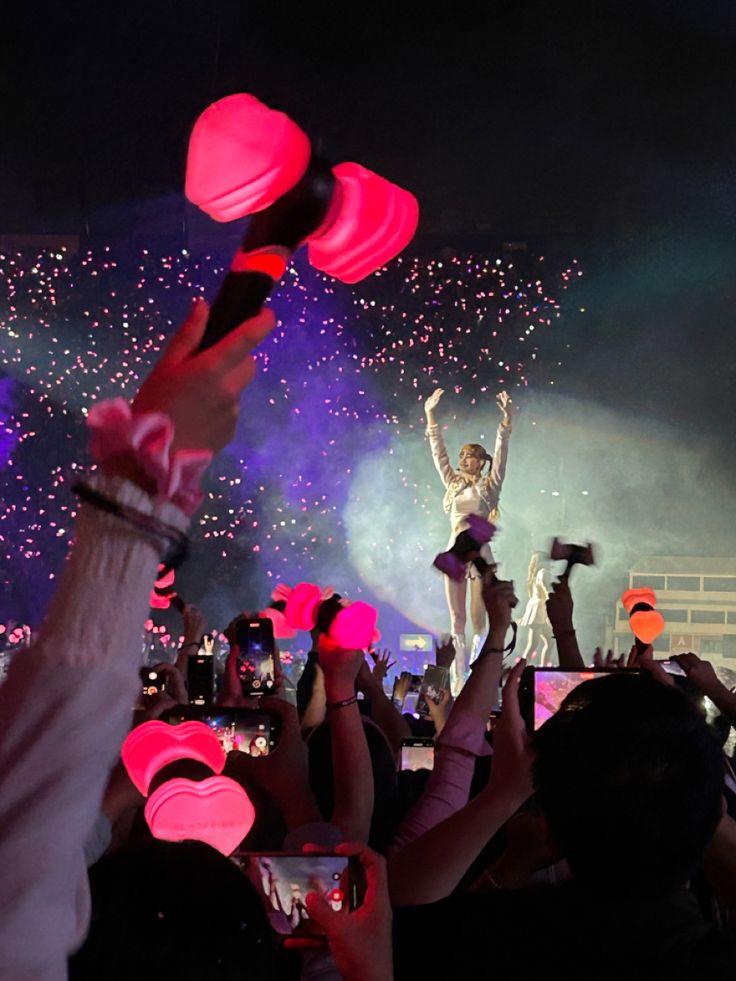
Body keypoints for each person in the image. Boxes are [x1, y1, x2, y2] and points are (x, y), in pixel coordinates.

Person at [424, 386, 514, 691]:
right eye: (462, 456)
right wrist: (430, 415)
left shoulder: (489, 487)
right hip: (454, 551)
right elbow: (439, 454)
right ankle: (455, 682)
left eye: (470, 457)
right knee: (455, 619)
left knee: (479, 620)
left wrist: (506, 424)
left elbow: (501, 459)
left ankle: (477, 679)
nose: (464, 460)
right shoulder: (452, 483)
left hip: (480, 554)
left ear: (480, 461)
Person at [519, 551, 553, 664]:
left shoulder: (538, 573)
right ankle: (520, 672)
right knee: (533, 645)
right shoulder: (543, 572)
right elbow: (546, 590)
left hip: (539, 611)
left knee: (549, 642)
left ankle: (543, 669)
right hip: (538, 612)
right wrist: (551, 601)